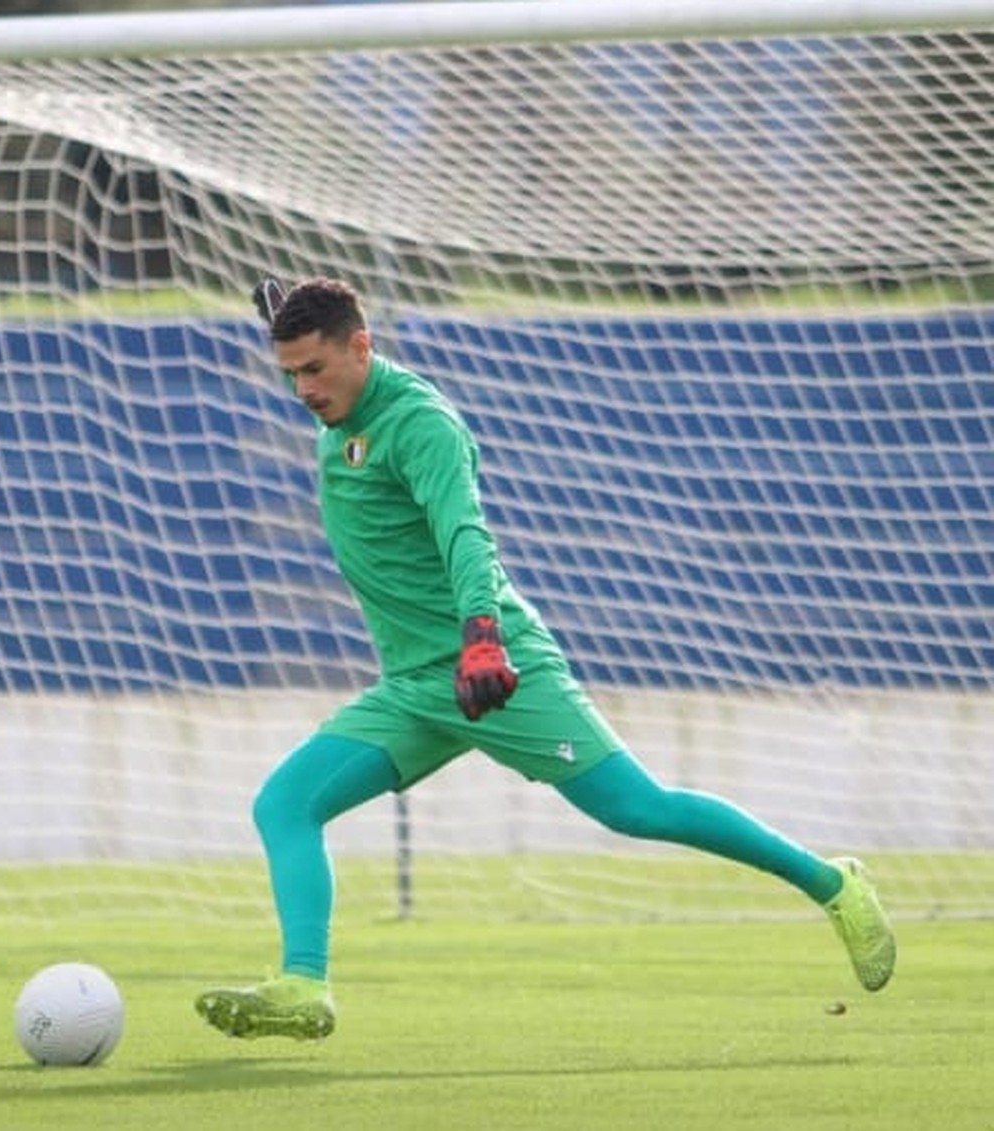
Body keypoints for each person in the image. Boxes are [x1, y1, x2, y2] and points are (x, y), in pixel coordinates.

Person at [195, 277, 896, 1042]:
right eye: (289, 372)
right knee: (284, 804)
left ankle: (834, 884)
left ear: (363, 347)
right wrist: (291, 319)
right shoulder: (340, 405)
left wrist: (483, 635)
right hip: (413, 688)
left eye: (314, 369)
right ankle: (304, 985)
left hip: (491, 667)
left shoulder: (421, 425)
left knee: (639, 808)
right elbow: (318, 345)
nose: (303, 390)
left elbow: (467, 534)